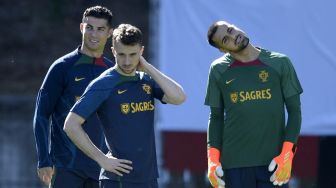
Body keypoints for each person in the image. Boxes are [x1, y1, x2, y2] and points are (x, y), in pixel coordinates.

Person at [63, 23, 186, 188]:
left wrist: (148, 68)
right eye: (121, 54)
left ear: (141, 52)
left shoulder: (146, 80)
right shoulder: (103, 84)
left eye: (133, 54)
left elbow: (179, 97)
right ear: (113, 51)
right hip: (118, 180)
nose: (127, 61)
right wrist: (102, 159)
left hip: (148, 179)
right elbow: (70, 125)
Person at [204, 20, 303, 188]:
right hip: (234, 165)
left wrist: (287, 154)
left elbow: (295, 112)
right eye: (226, 39)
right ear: (222, 49)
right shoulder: (218, 69)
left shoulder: (280, 63)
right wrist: (212, 160)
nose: (233, 36)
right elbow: (216, 117)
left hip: (273, 164)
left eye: (230, 29)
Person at [33, 6, 114, 188]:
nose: (94, 34)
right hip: (65, 168)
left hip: (101, 169)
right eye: (89, 27)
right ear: (81, 28)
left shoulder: (112, 73)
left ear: (109, 33)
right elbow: (41, 115)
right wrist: (43, 160)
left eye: (100, 29)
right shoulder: (62, 67)